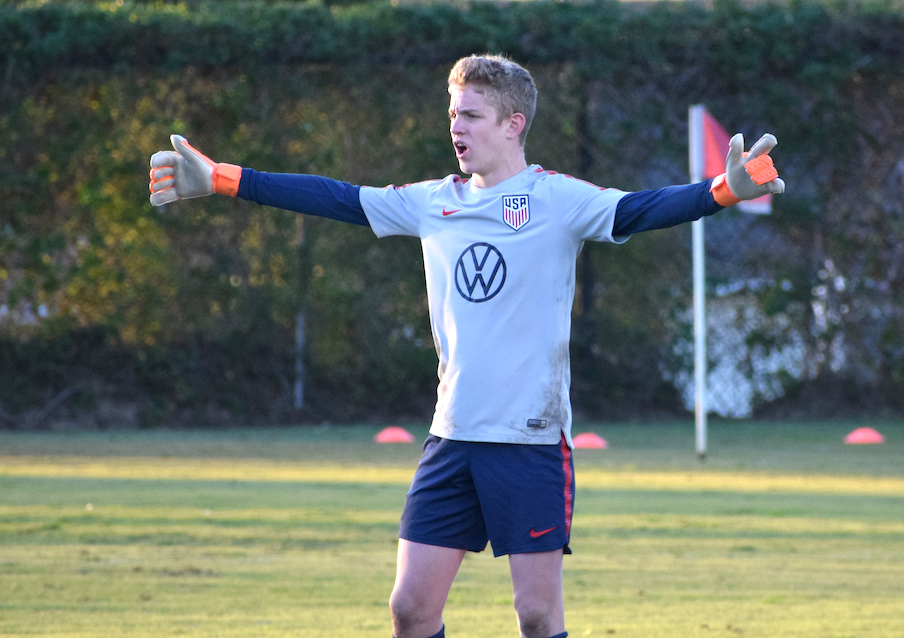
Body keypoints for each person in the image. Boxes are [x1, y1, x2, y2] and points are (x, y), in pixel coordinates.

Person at [149, 54, 784, 638]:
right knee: (410, 609)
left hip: (530, 441)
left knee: (536, 615)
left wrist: (723, 191)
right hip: (452, 439)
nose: (457, 126)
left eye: (472, 115)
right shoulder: (434, 203)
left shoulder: (557, 199)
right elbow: (336, 197)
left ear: (513, 124)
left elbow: (641, 210)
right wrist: (224, 179)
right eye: (453, 113)